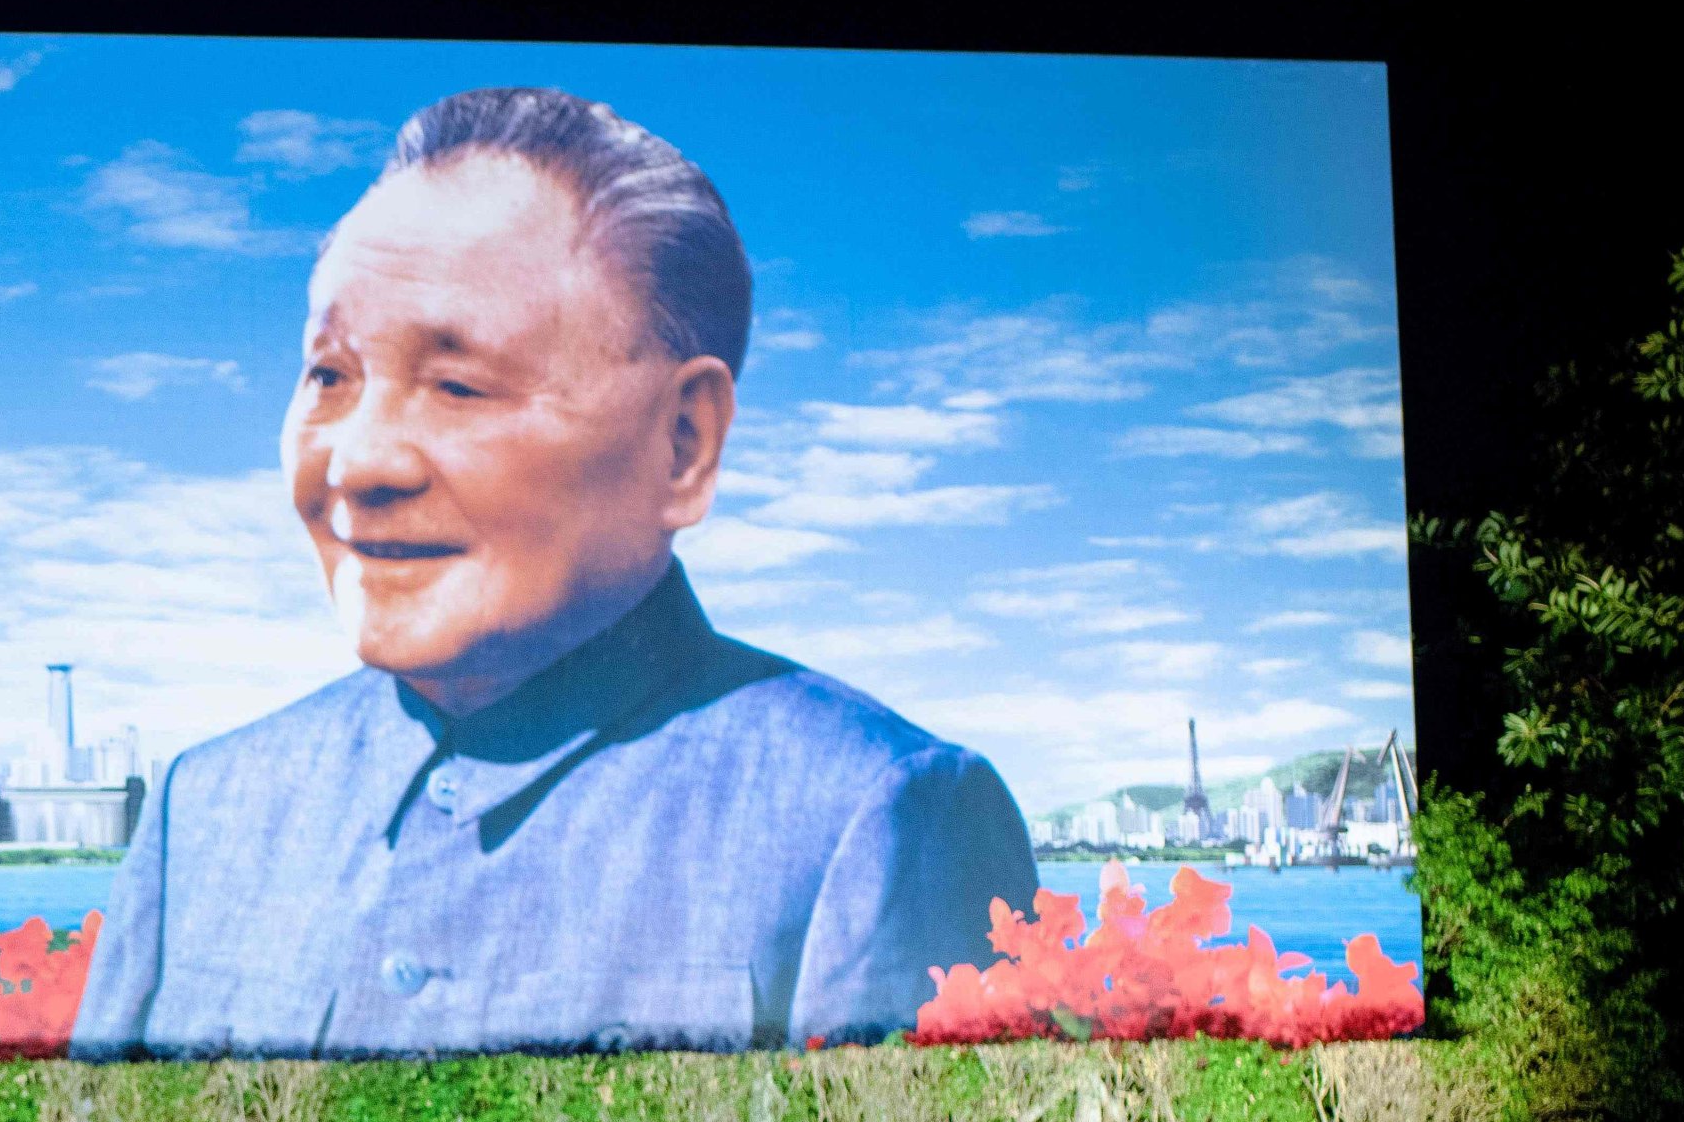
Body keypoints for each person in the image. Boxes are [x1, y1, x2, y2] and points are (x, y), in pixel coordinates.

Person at [70, 87, 1037, 1060]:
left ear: (683, 442)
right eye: (330, 376)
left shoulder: (877, 816)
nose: (358, 463)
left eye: (456, 384)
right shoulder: (205, 807)